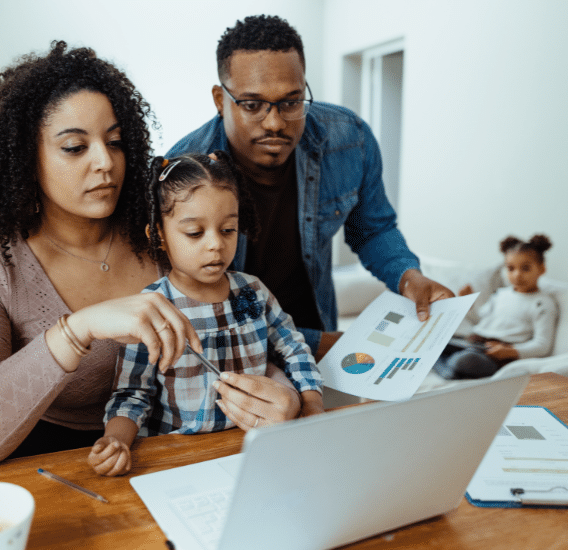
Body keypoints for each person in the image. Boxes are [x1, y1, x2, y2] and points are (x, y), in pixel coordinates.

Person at [0, 41, 304, 473]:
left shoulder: (167, 236)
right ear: (26, 158)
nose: (106, 162)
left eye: (116, 141)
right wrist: (78, 329)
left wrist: (281, 393)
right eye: (74, 147)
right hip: (59, 473)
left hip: (175, 460)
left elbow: (241, 336)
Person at [166, 15, 453, 360]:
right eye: (253, 105)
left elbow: (373, 229)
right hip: (232, 355)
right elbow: (190, 299)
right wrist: (322, 345)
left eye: (291, 101)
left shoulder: (349, 140)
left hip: (319, 329)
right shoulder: (182, 171)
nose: (274, 123)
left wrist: (408, 277)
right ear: (219, 99)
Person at [88, 152, 325, 476]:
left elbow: (294, 349)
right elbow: (133, 393)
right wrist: (116, 440)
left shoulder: (251, 294)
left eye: (228, 229)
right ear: (158, 235)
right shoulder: (153, 309)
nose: (216, 244)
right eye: (195, 233)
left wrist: (312, 406)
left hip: (254, 454)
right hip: (179, 461)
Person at [434, 235, 558, 379]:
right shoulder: (501, 294)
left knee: (465, 360)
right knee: (435, 342)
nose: (517, 275)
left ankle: (448, 368)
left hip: (498, 355)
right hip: (475, 343)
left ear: (541, 269)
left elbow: (542, 345)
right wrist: (468, 304)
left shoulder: (542, 304)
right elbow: (482, 318)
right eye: (511, 268)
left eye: (525, 268)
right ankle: (449, 367)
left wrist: (511, 351)